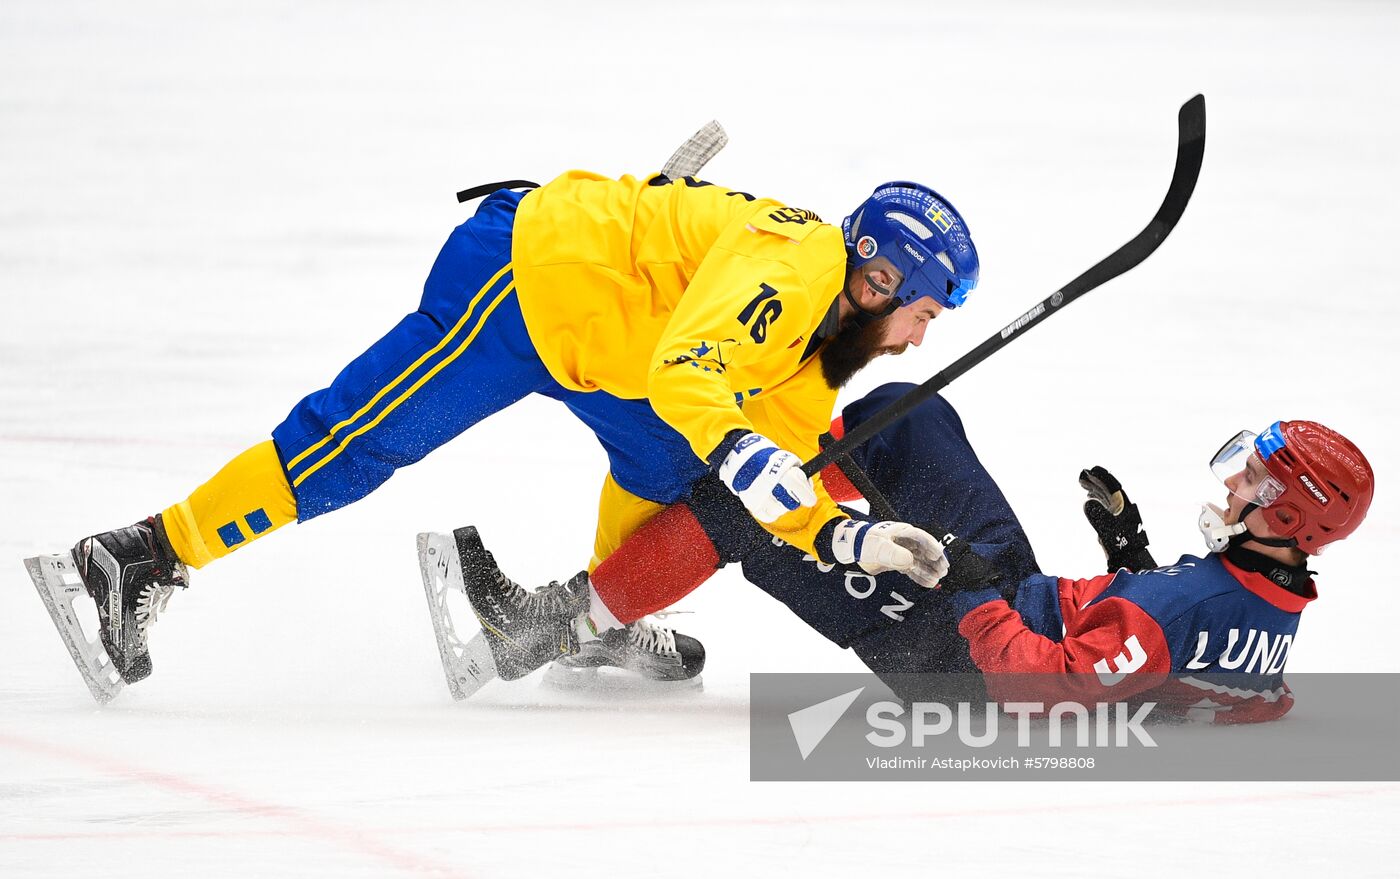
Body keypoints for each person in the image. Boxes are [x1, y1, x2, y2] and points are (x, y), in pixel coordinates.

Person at [28, 167, 982, 700]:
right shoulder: (795, 267)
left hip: (610, 348)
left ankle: (591, 621)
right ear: (879, 278)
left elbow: (753, 463)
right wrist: (744, 452)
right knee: (352, 446)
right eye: (925, 312)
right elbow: (690, 370)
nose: (918, 336)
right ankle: (144, 556)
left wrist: (847, 535)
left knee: (669, 455)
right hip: (529, 282)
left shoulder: (822, 347)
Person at [469, 384, 1373, 721]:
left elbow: (1031, 691)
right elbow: (1218, 685)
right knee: (910, 412)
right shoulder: (1260, 603)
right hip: (1022, 600)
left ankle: (558, 627)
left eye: (1254, 485)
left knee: (737, 511)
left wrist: (972, 595)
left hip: (956, 661)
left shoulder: (1191, 609)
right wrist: (1131, 560)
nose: (1231, 488)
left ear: (1292, 519)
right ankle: (789, 463)